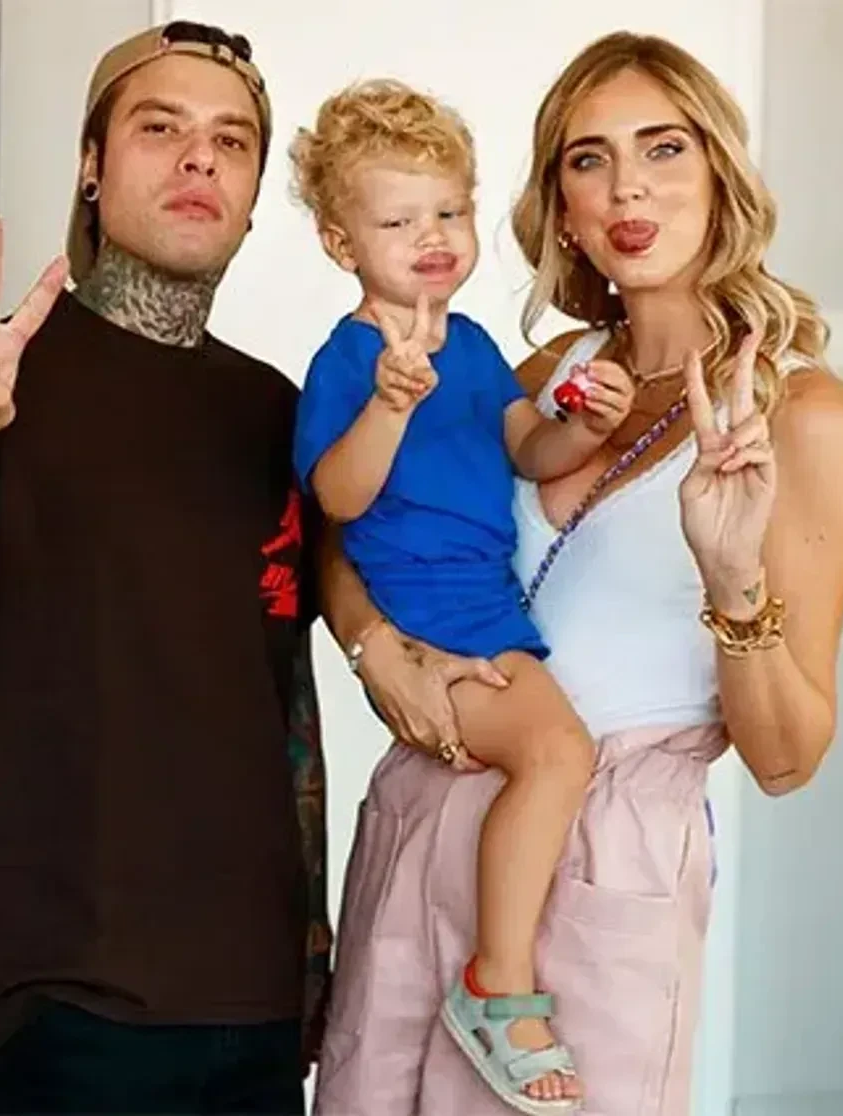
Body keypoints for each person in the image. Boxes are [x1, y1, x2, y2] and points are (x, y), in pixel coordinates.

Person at [313, 30, 843, 1116]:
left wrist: (731, 580)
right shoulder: (533, 372)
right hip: (427, 820)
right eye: (588, 158)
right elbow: (343, 522)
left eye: (664, 149)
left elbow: (788, 757)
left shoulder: (797, 414)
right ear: (560, 208)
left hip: (603, 855)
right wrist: (377, 652)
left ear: (720, 174)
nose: (628, 188)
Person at [0, 21, 329, 1116]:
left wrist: (309, 949)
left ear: (254, 195)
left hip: (252, 1017)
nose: (200, 158)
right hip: (50, 1017)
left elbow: (284, 699)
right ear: (92, 168)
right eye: (161, 128)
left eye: (232, 140)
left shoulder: (277, 410)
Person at [289, 79, 637, 1110]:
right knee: (559, 752)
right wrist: (390, 405)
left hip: (486, 607)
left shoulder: (476, 345)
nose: (432, 237)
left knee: (551, 753)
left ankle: (494, 972)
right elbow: (337, 497)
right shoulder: (350, 359)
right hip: (430, 616)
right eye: (398, 221)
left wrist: (589, 422)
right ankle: (497, 984)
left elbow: (531, 449)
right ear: (340, 243)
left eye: (449, 210)